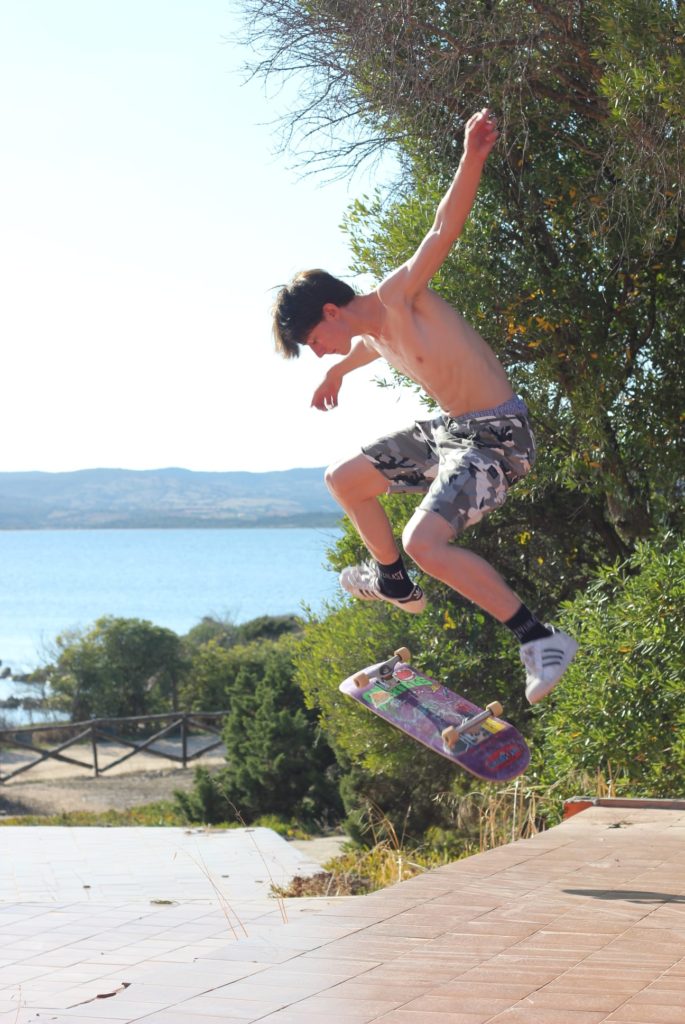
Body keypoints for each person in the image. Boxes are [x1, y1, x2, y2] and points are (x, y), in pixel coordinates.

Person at [272, 108, 577, 703]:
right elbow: (369, 349)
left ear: (331, 312)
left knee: (424, 540)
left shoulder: (396, 296)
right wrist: (338, 367)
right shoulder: (376, 334)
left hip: (497, 439)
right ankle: (393, 584)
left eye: (315, 343)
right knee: (345, 479)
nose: (319, 353)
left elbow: (441, 230)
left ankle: (539, 638)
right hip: (452, 433)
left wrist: (472, 155)